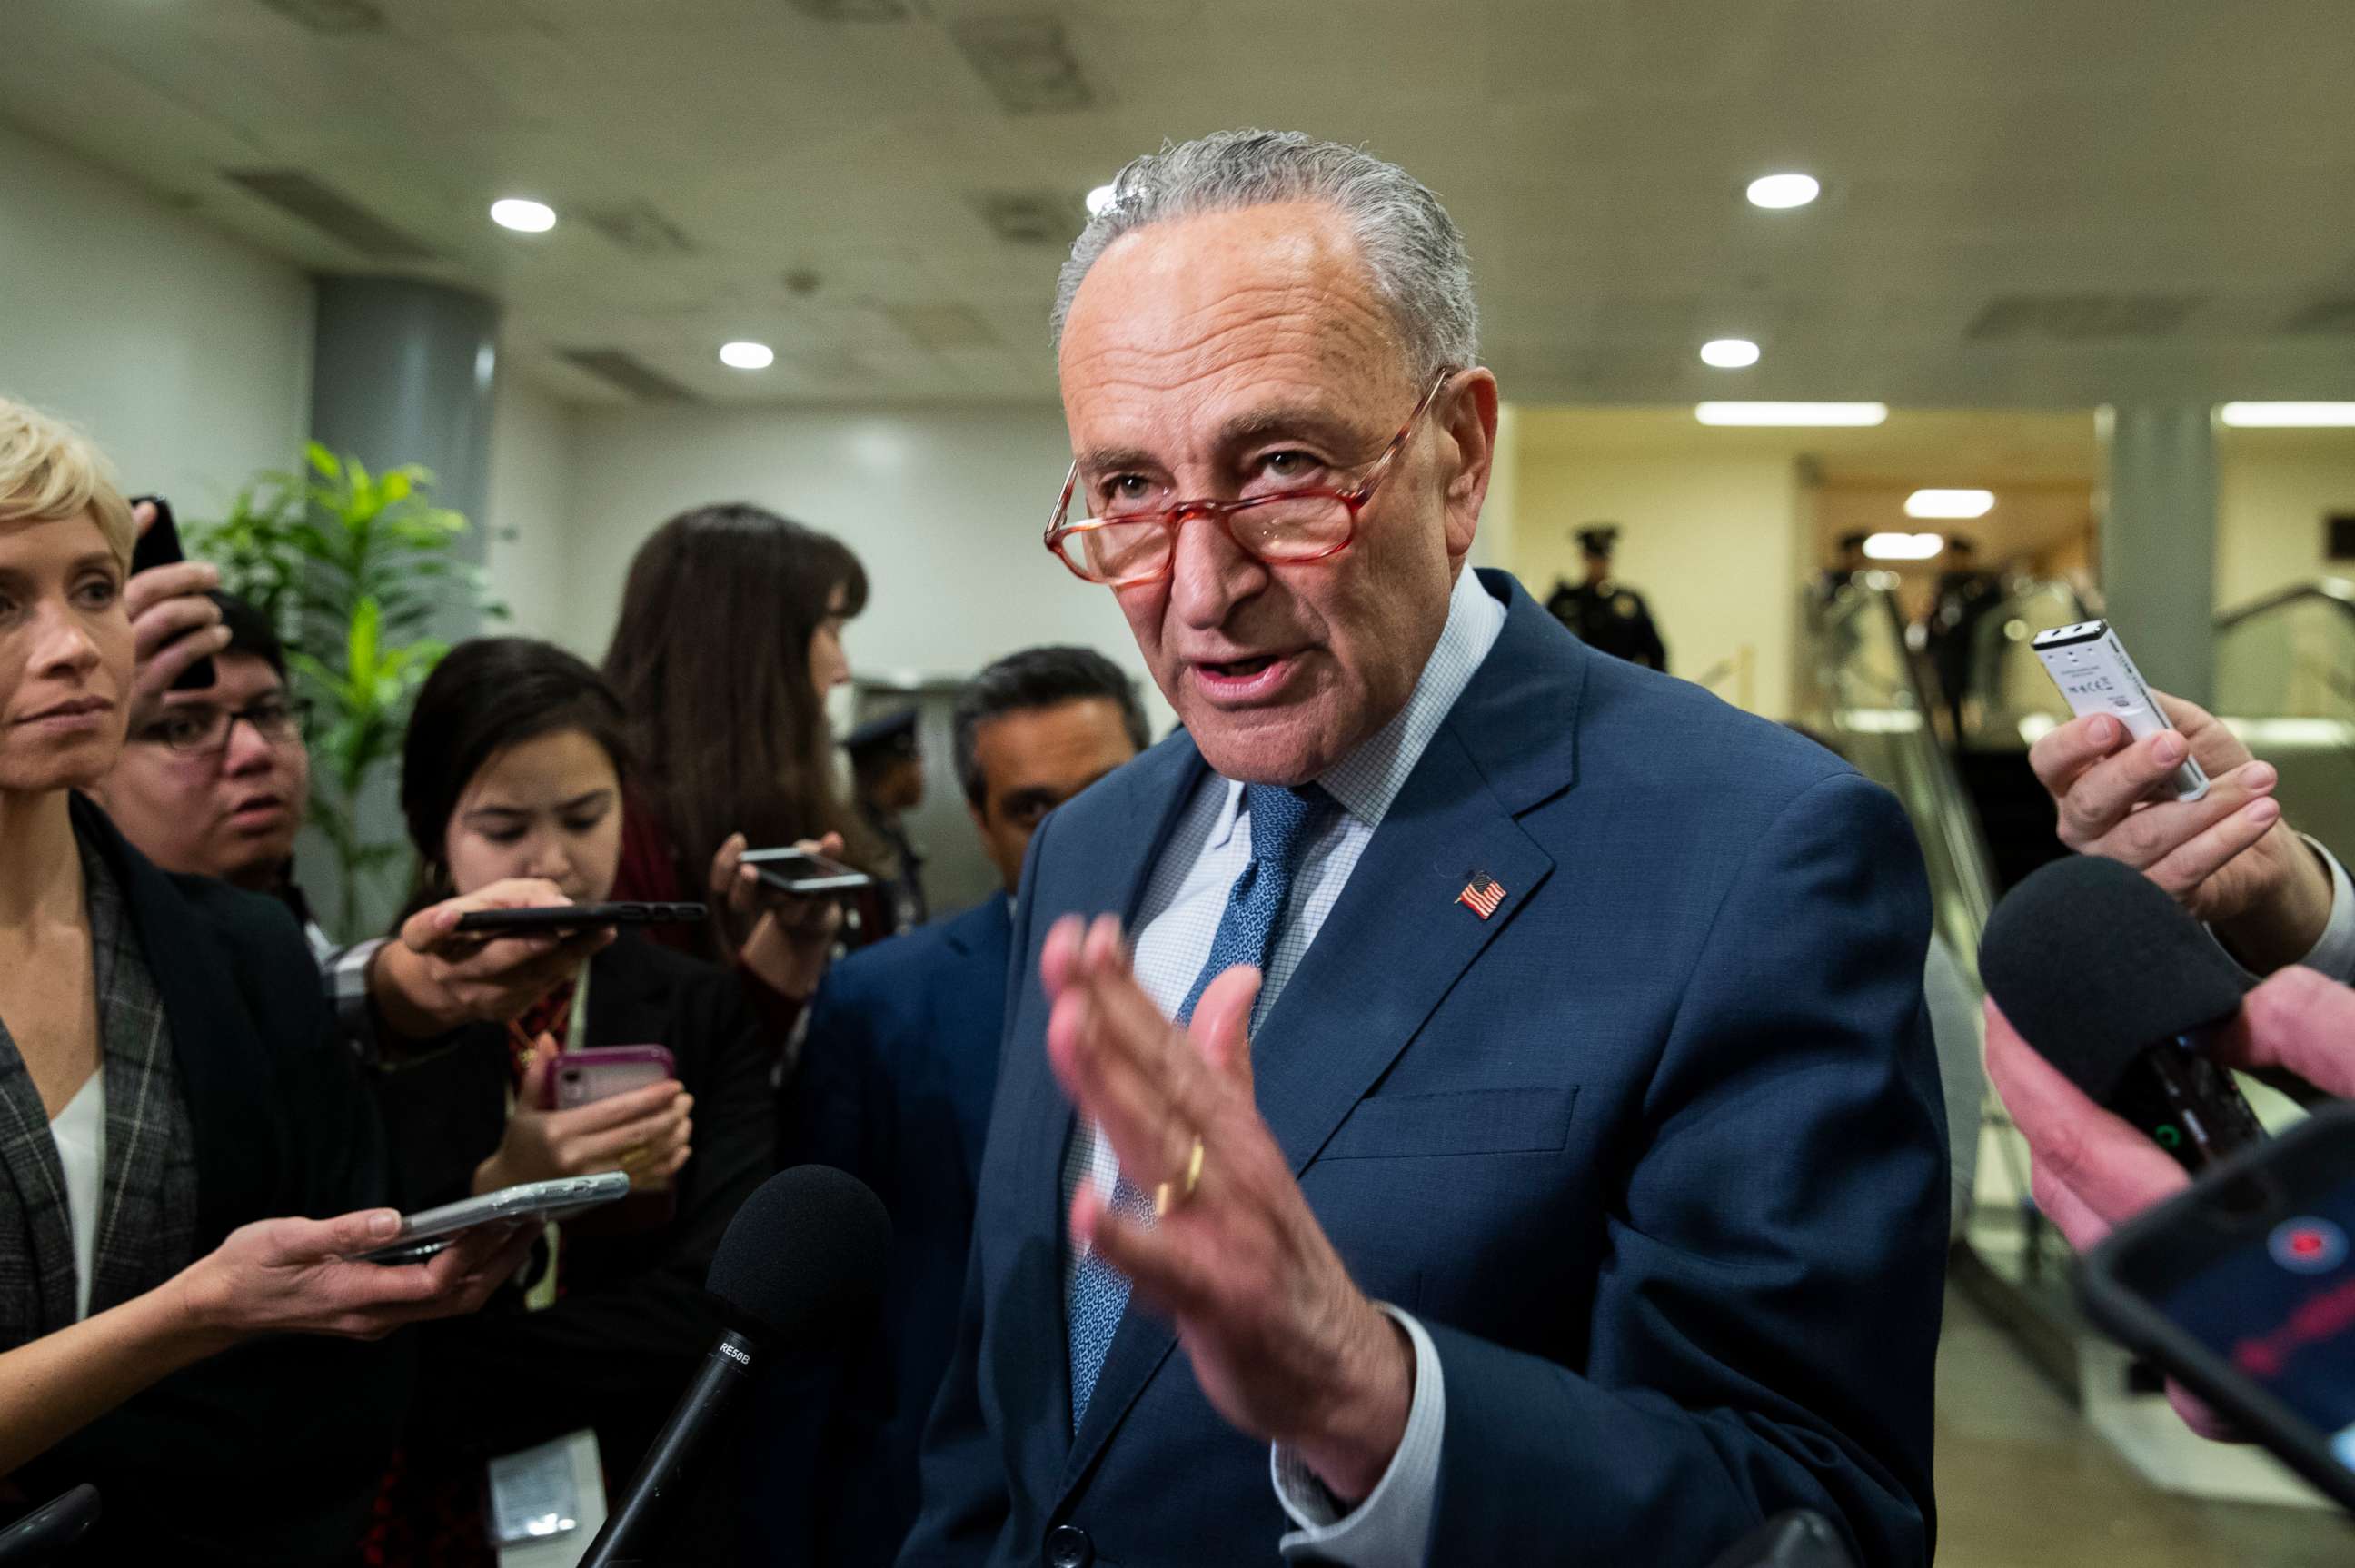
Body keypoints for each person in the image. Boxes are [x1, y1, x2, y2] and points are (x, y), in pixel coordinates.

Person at [901, 131, 1946, 1568]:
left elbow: (1820, 1513)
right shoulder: (1091, 844)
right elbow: (1004, 1425)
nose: (1201, 592)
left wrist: (1366, 1400)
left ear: (1460, 452)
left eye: (1280, 468)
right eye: (1132, 489)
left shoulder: (1761, 854)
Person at [0, 394, 453, 1559]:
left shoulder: (243, 951)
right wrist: (194, 1314)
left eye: (96, 589)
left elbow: (328, 1392)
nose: (69, 646)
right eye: (1, 603)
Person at [360, 639, 778, 1567]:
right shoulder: (377, 1020)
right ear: (436, 834)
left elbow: (715, 1299)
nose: (552, 863)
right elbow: (350, 1301)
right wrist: (504, 1185)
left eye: (586, 816)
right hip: (412, 1499)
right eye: (504, 828)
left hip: (641, 1485)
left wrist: (456, 1366)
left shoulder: (698, 1005)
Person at [760, 647, 1150, 1568]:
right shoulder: (882, 1003)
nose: (1079, 828)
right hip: (944, 1508)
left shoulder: (1256, 968)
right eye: (1033, 807)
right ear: (979, 820)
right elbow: (821, 1316)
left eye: (1110, 786)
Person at [601, 501, 877, 1003]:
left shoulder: (769, 800)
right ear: (752, 648)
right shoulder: (619, 831)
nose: (843, 671)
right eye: (832, 631)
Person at [94, 590, 332, 955]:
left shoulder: (288, 933)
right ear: (88, 778)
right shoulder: (97, 983)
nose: (254, 752)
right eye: (185, 728)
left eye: (268, 713)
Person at [847, 706, 930, 932]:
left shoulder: (889, 826)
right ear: (894, 769)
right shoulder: (860, 841)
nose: (921, 773)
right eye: (916, 761)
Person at [1544, 522, 1667, 670]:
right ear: (1584, 557)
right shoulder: (1563, 600)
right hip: (1576, 680)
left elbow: (1655, 652)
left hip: (1620, 681)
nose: (1599, 564)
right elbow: (1546, 645)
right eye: (1593, 558)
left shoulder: (1630, 601)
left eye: (1603, 558)